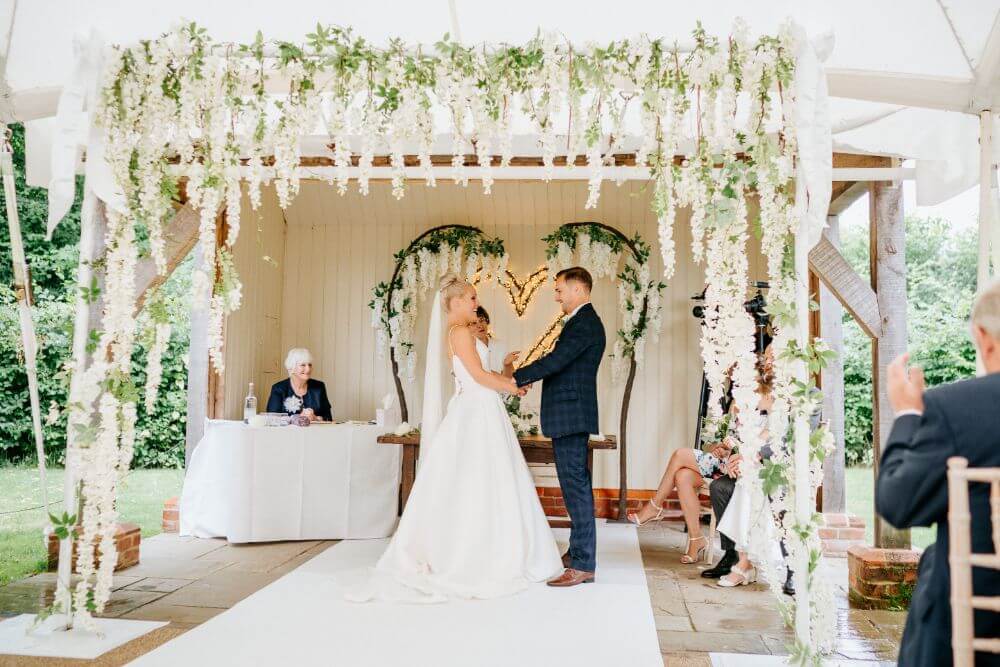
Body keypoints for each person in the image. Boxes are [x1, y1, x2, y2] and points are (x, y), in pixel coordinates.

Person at [346, 273, 561, 603]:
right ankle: (473, 553)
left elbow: (483, 374)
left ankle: (495, 545)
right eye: (473, 298)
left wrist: (508, 382)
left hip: (484, 409)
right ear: (456, 302)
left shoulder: (464, 332)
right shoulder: (459, 332)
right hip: (475, 410)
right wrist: (513, 384)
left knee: (491, 478)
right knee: (475, 478)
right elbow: (476, 375)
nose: (477, 303)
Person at [876, 278, 1000, 667]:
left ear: (984, 337)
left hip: (977, 633)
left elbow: (898, 505)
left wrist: (908, 414)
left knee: (937, 567)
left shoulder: (957, 409)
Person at [514, 266, 606, 587]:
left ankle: (583, 564)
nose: (556, 296)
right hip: (569, 414)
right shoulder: (581, 322)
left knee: (575, 486)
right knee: (572, 485)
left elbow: (556, 361)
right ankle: (577, 551)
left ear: (578, 290)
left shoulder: (585, 323)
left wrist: (516, 378)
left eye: (559, 289)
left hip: (571, 414)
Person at [265, 348, 332, 422]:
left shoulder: (319, 387)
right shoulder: (278, 388)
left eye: (310, 365)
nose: (308, 369)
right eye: (303, 365)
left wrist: (315, 418)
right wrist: (298, 418)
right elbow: (272, 418)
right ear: (291, 368)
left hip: (315, 432)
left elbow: (328, 418)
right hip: (286, 433)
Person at [471, 306, 519, 376]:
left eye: (481, 320)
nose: (480, 325)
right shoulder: (467, 350)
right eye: (474, 323)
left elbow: (508, 379)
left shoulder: (500, 345)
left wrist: (507, 365)